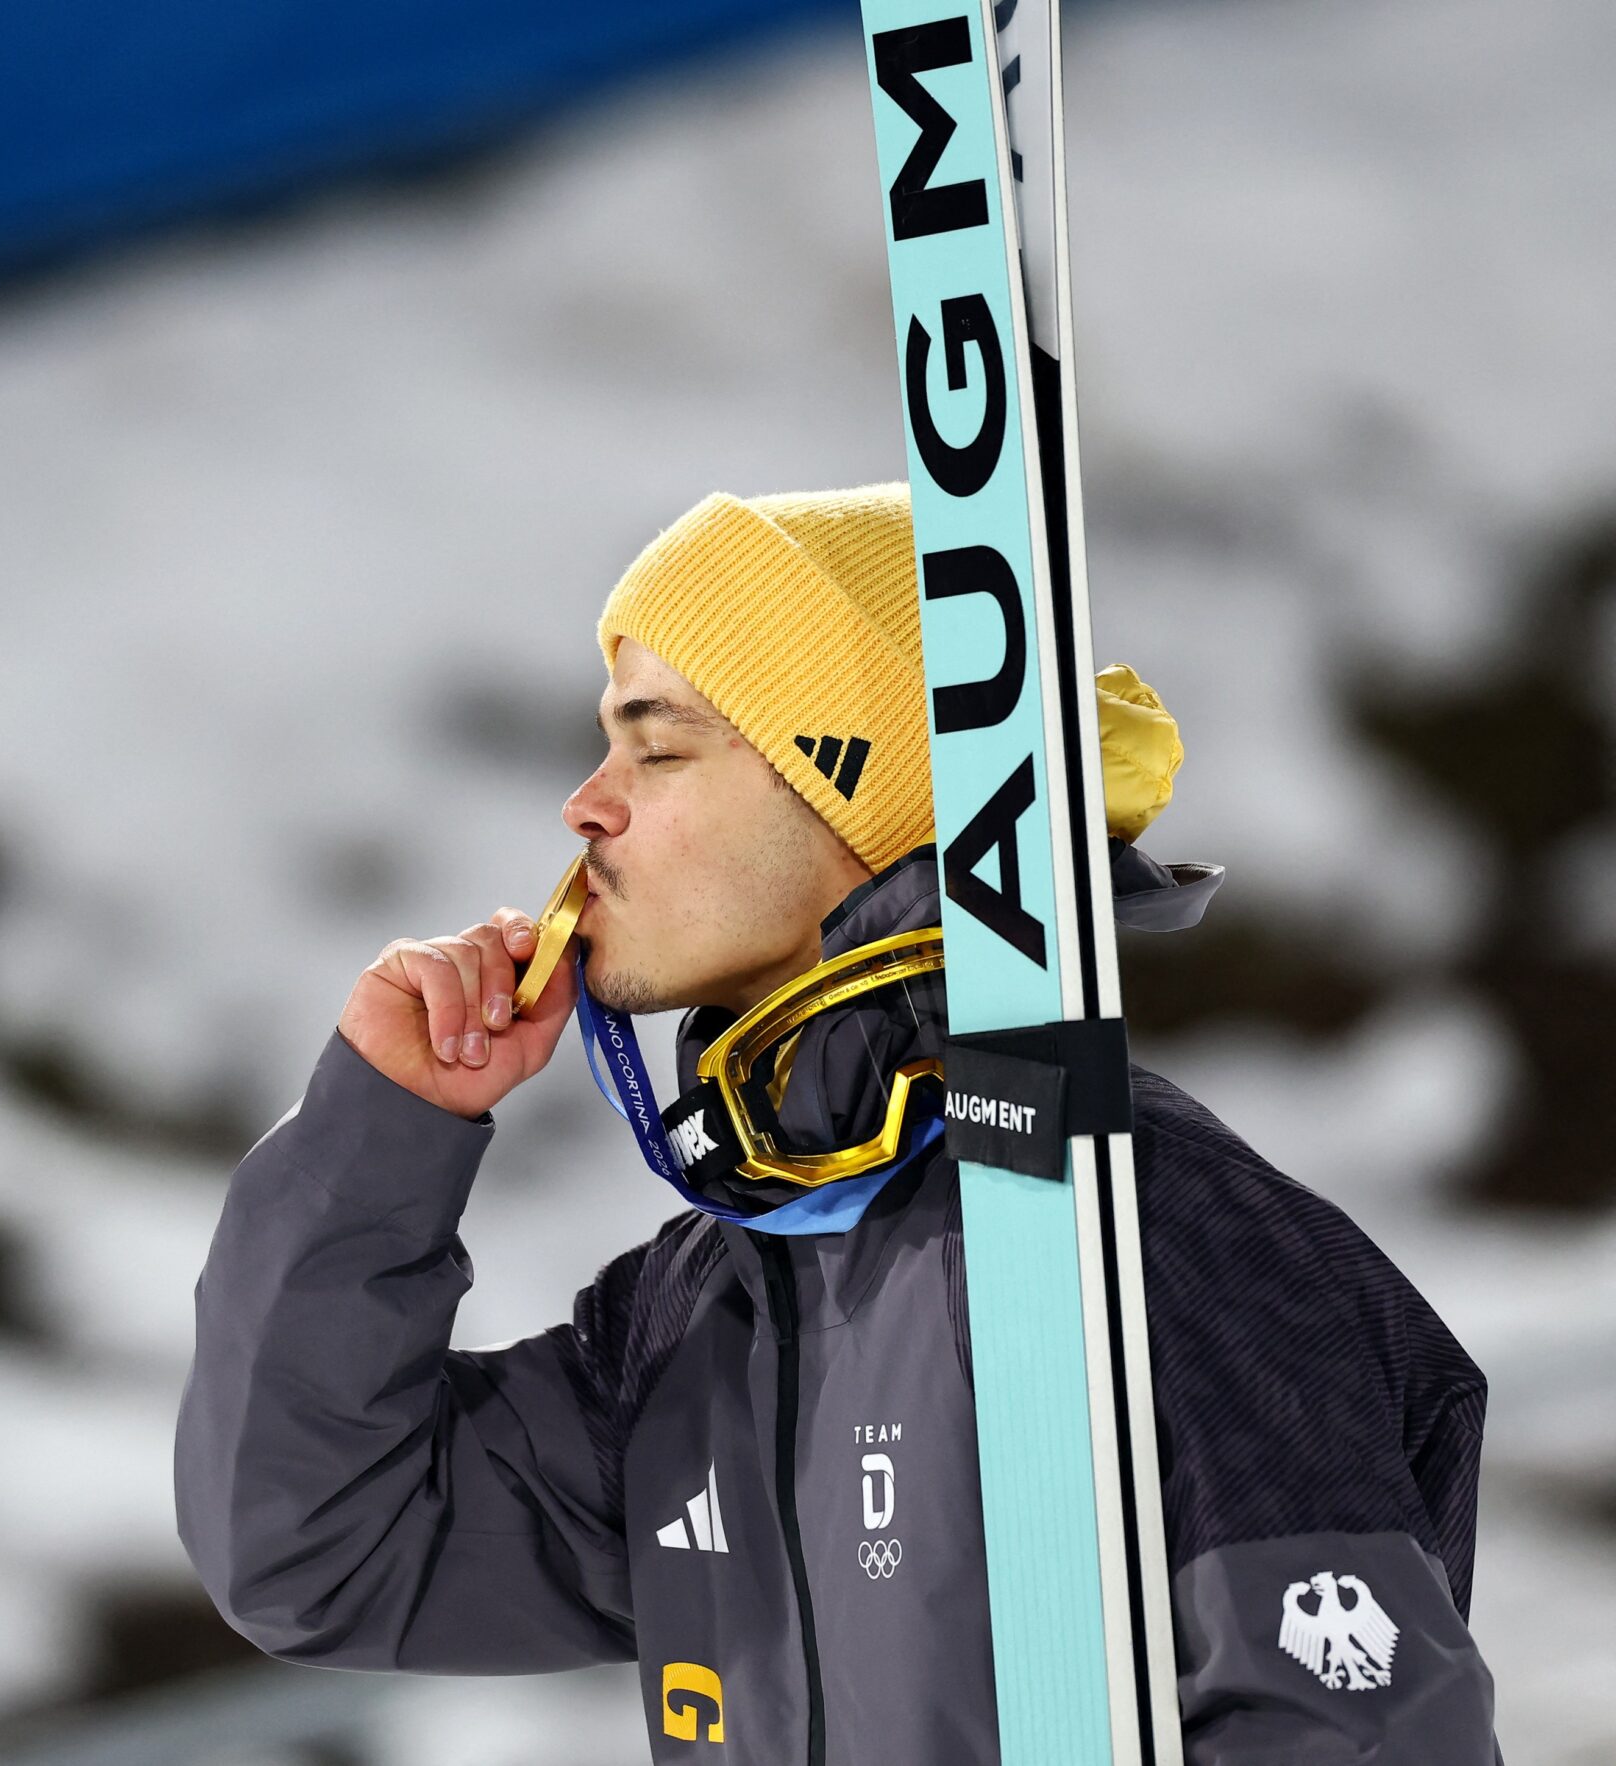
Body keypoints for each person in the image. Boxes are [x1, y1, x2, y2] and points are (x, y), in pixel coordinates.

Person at [173, 485, 1500, 1762]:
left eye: (657, 740)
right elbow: (321, 1552)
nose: (587, 803)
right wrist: (382, 1133)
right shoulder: (718, 1298)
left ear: (860, 789)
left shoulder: (1155, 1234)